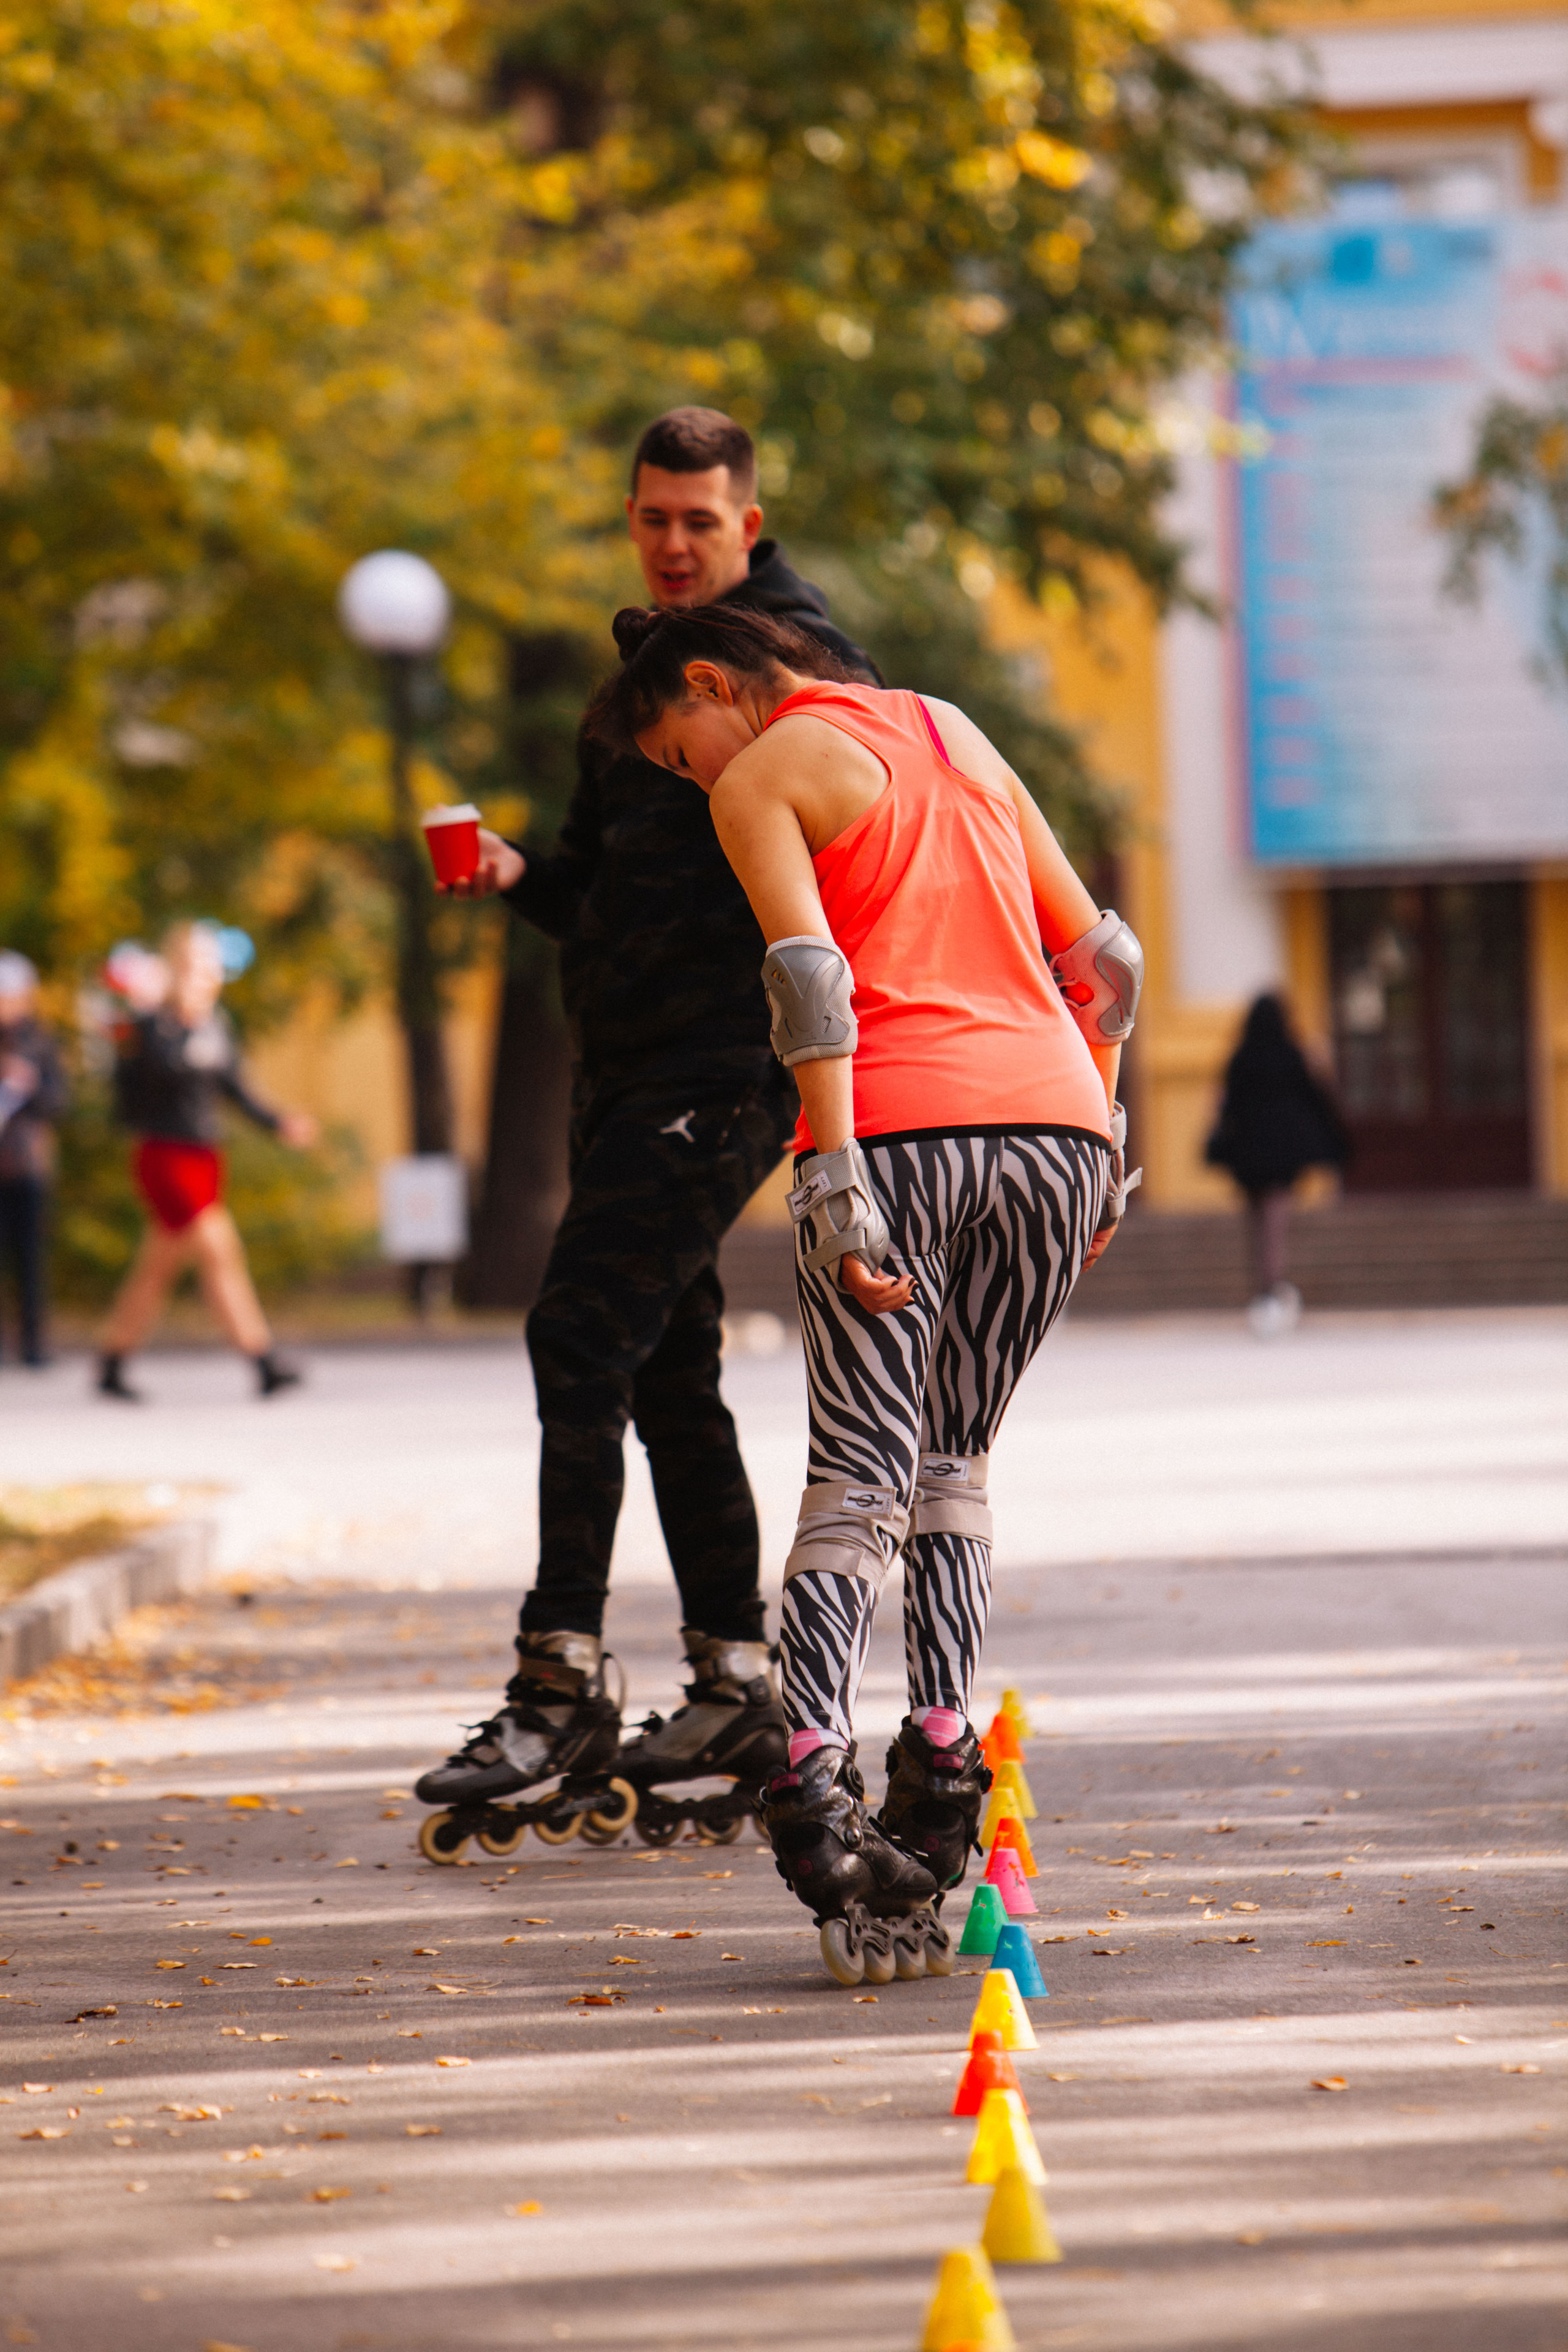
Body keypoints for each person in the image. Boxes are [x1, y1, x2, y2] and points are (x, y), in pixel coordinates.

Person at [587, 600, 1144, 1985]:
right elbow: (1107, 963)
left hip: (895, 1134)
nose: (693, 777)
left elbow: (810, 979)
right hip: (1058, 1138)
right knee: (952, 1461)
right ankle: (942, 1755)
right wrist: (1102, 1137)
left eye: (678, 750)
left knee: (854, 1473)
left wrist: (830, 1171)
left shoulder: (770, 772)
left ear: (716, 685)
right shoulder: (952, 729)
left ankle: (814, 1781)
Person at [413, 408, 881, 1852]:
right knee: (663, 1363)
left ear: (748, 520)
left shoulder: (797, 666)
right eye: (651, 517)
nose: (673, 543)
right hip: (622, 1067)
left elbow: (862, 837)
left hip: (724, 1061)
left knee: (575, 1332)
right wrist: (510, 873)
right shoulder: (629, 686)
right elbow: (596, 889)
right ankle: (733, 1675)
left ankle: (555, 1674)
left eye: (699, 519)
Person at [97, 922, 317, 1401]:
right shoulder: (150, 1027)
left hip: (205, 1155)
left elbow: (236, 1089)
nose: (208, 975)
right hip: (166, 1157)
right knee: (220, 1252)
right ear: (177, 969)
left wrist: (279, 1123)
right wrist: (146, 1022)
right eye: (198, 965)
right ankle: (262, 1360)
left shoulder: (217, 1026)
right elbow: (131, 1092)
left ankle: (112, 1360)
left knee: (156, 1269)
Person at [1204, 992, 1348, 1338]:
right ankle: (1271, 1289)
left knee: (1255, 1223)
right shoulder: (1293, 1055)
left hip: (1248, 1153)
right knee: (1275, 1222)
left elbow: (1227, 1108)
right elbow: (1316, 1100)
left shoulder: (1241, 1058)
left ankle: (1263, 1288)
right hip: (1283, 1153)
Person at [0, 953, 69, 1369]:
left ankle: (33, 1342)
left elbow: (59, 1101)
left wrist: (30, 1084)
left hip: (27, 1163)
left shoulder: (40, 1041)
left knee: (30, 1257)